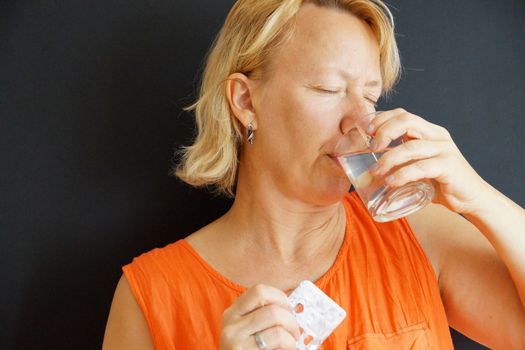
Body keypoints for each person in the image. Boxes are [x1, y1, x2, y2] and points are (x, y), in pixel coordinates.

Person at [102, 0, 525, 349]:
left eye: (370, 96)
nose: (359, 122)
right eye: (328, 89)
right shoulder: (151, 296)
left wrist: (478, 197)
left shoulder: (416, 233)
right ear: (246, 101)